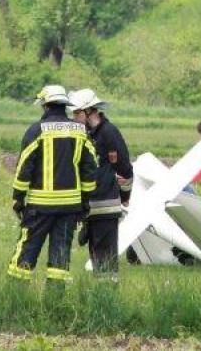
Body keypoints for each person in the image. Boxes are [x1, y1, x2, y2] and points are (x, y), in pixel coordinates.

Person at [9, 84, 98, 288]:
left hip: (40, 207)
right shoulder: (80, 131)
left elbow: (24, 166)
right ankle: (55, 303)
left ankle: (15, 296)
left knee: (27, 251)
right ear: (64, 105)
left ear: (46, 106)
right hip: (70, 208)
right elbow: (90, 169)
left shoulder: (37, 130)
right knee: (60, 257)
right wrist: (85, 201)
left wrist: (18, 198)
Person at [67, 88, 132, 279]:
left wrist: (125, 197)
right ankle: (100, 293)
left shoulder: (109, 133)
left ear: (89, 111)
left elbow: (126, 171)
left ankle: (107, 297)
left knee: (106, 259)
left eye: (76, 113)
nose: (74, 117)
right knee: (97, 256)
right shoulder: (85, 133)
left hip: (105, 205)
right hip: (90, 207)